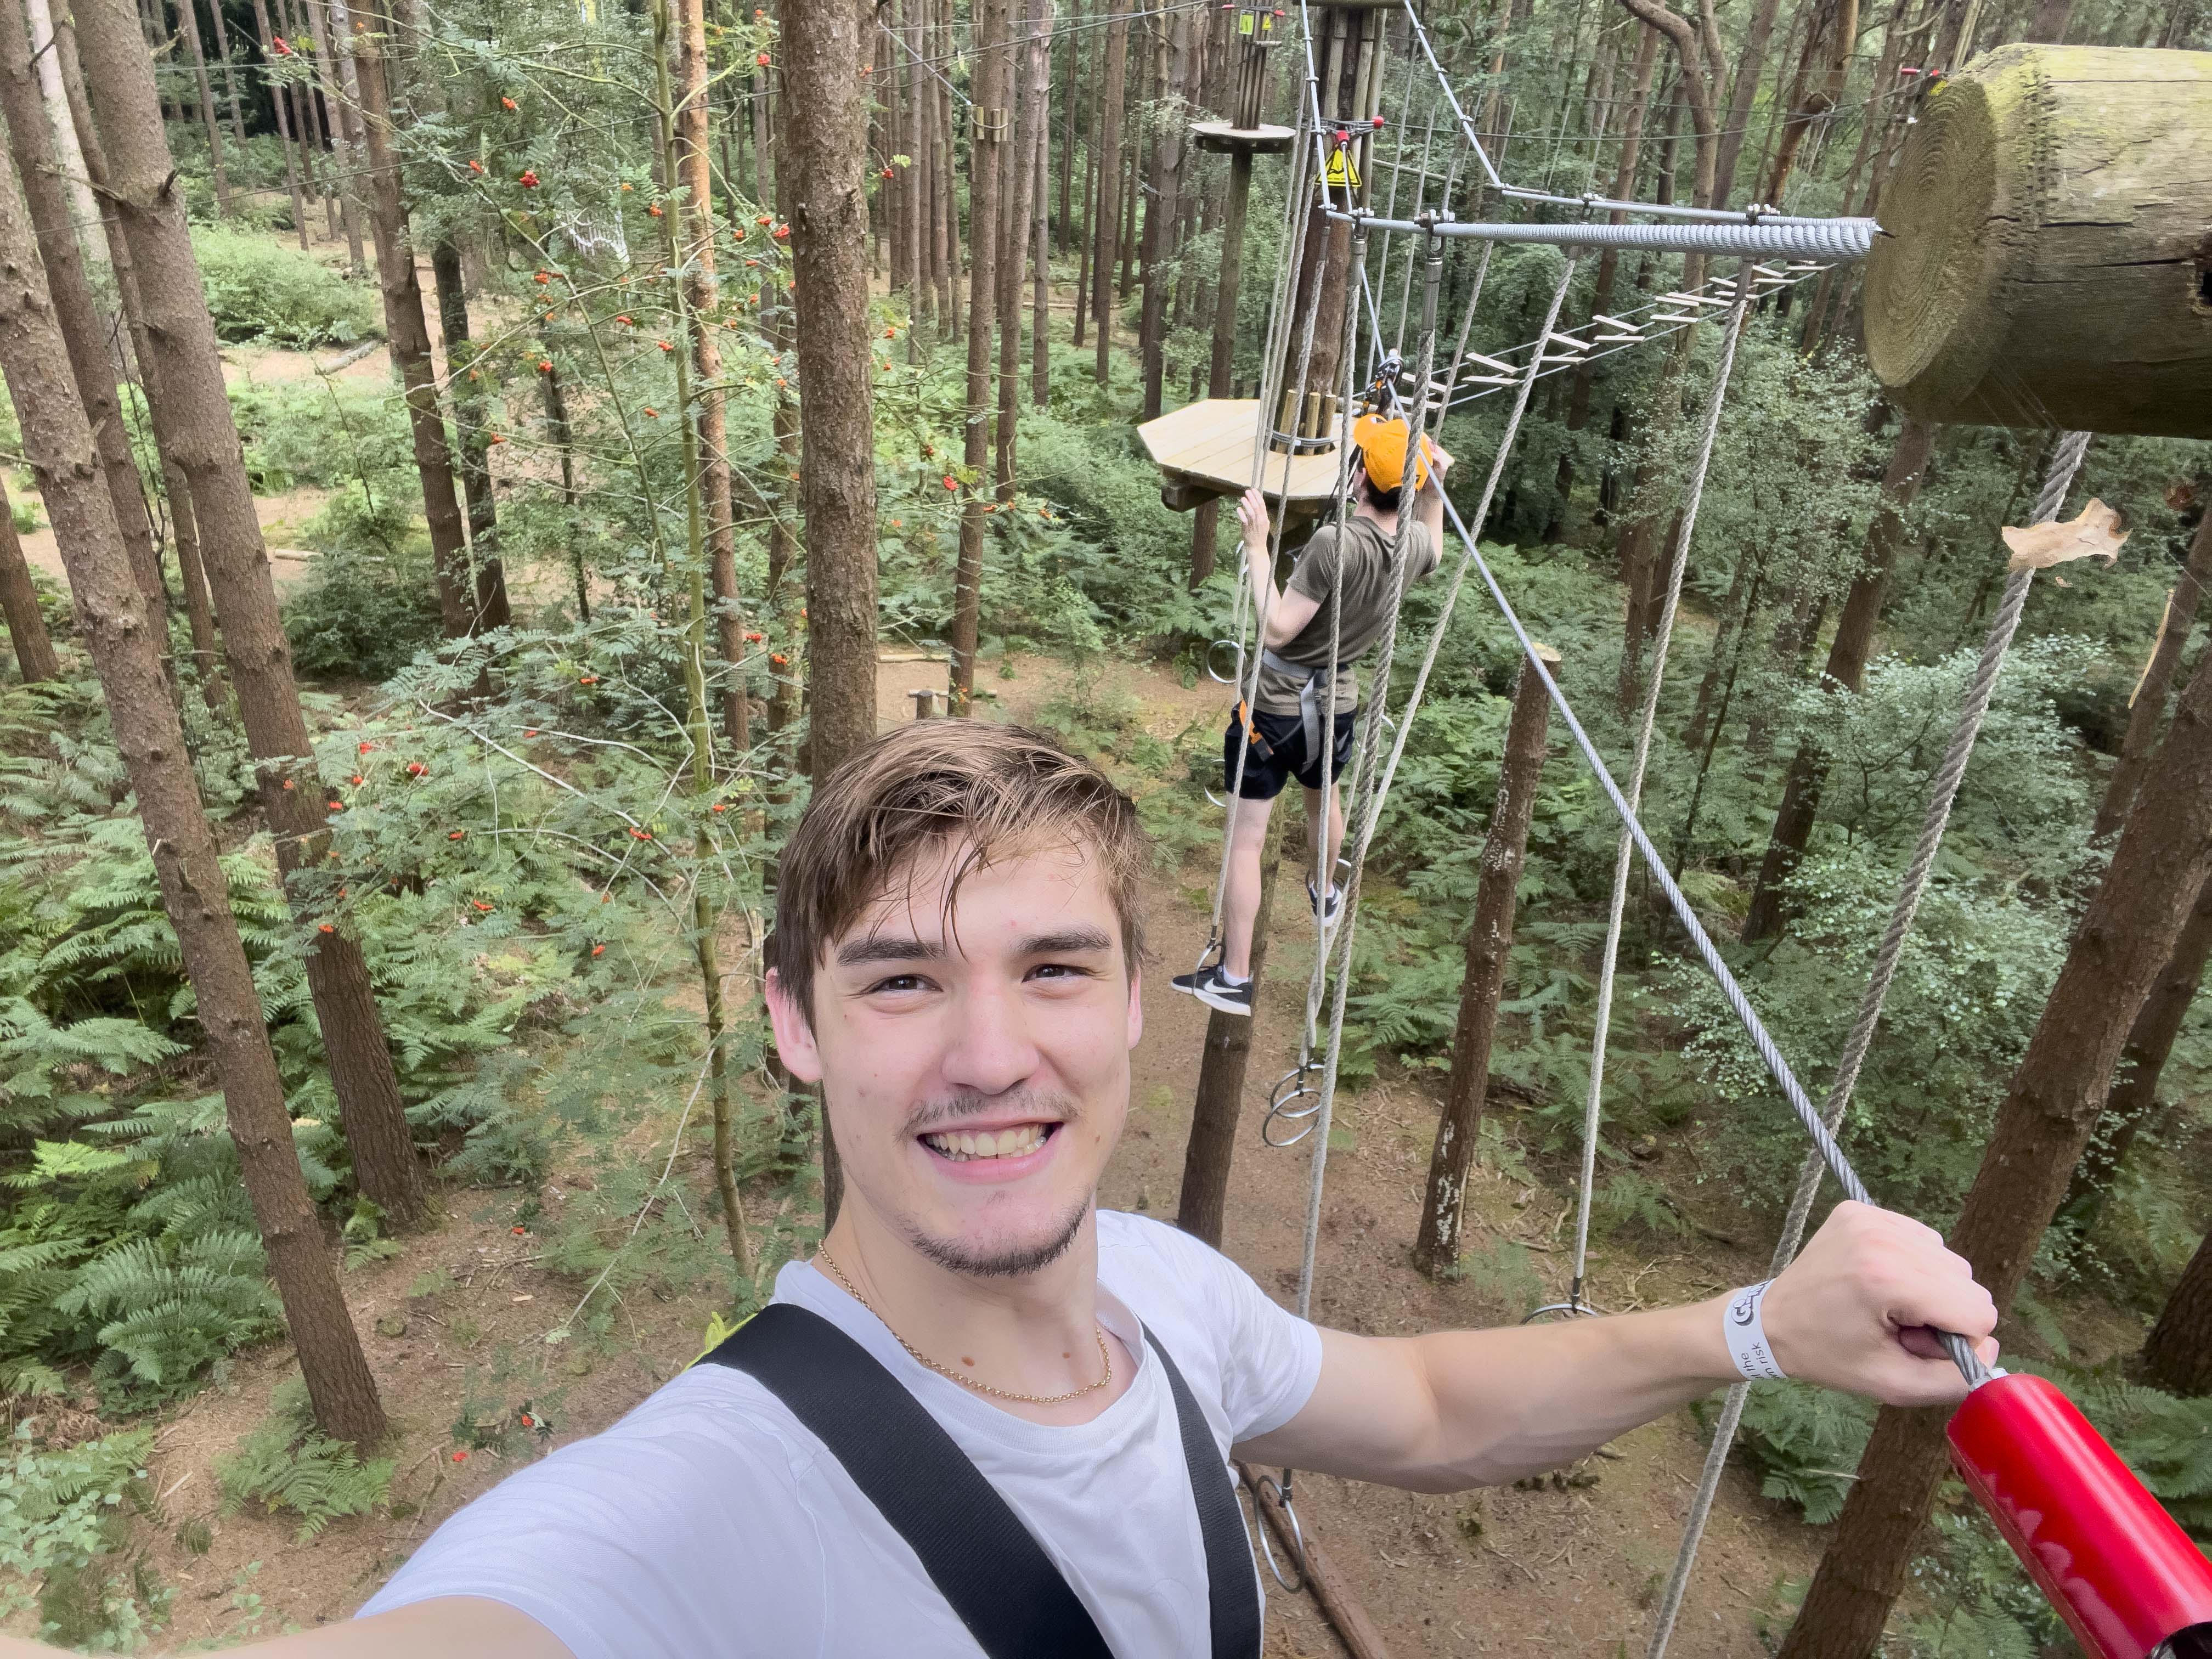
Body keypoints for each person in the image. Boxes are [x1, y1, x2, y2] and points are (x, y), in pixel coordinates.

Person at [0, 724, 1997, 1659]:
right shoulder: (700, 1504)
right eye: (897, 977)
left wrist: (1758, 1324)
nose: (983, 1048)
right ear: (792, 1024)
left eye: (1050, 965)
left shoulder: (1166, 1294)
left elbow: (1431, 1405)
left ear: (1141, 1000)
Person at [1172, 413, 1452, 1017]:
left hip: (1276, 712)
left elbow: (1276, 631)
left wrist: (1256, 545)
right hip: (1337, 705)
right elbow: (1434, 531)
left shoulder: (1336, 545)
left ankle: (1235, 978)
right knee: (1325, 798)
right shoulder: (1414, 549)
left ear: (1357, 478)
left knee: (1246, 843)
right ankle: (1325, 889)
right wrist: (1431, 484)